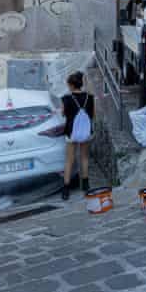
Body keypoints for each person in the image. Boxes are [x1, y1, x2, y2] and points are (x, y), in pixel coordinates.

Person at [60, 71, 94, 200]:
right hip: (85, 131)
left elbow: (63, 114)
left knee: (69, 160)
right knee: (84, 158)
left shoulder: (66, 98)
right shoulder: (89, 97)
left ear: (71, 85)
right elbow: (92, 115)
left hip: (71, 132)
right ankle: (86, 185)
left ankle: (66, 189)